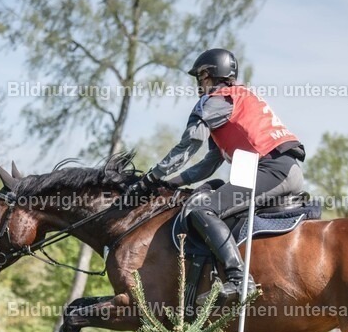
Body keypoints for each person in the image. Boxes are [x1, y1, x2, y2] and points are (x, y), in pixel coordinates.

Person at [128, 48, 306, 301]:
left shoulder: (214, 101)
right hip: (284, 168)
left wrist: (152, 178)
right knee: (218, 199)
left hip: (272, 170)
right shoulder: (238, 99)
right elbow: (209, 164)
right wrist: (171, 182)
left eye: (200, 78)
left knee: (201, 209)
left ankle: (238, 280)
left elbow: (189, 145)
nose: (199, 85)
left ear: (209, 75)